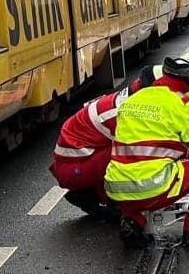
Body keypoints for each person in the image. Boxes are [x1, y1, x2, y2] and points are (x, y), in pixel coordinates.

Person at [105, 52, 189, 247]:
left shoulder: (134, 99)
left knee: (138, 166)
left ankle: (132, 220)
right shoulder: (181, 103)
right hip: (153, 189)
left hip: (116, 188)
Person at [50, 66, 163, 220]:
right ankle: (112, 201)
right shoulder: (126, 112)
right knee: (135, 151)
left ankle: (90, 193)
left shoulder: (127, 98)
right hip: (75, 168)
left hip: (75, 162)